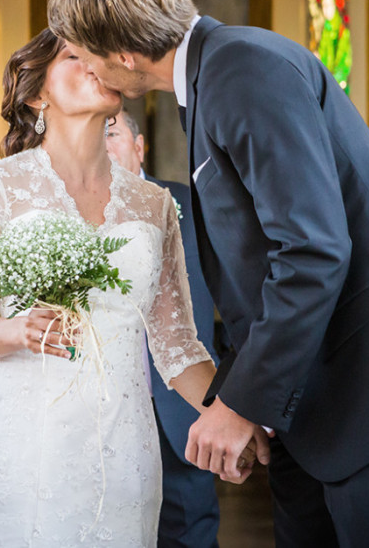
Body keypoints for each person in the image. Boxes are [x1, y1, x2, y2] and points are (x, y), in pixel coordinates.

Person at [48, 0, 369, 547]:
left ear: (125, 55)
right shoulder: (214, 78)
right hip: (319, 395)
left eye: (84, 56)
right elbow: (257, 268)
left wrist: (241, 405)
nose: (87, 70)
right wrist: (254, 401)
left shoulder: (242, 68)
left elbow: (314, 250)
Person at [0, 29, 239, 546]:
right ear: (38, 94)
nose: (95, 66)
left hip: (124, 447)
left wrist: (235, 416)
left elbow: (177, 348)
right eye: (75, 57)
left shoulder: (153, 205)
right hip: (25, 439)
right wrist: (18, 330)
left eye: (99, 55)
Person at [105, 110, 220, 548]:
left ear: (139, 147)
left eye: (112, 132)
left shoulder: (191, 204)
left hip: (177, 400)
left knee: (186, 526)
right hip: (103, 403)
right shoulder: (71, 212)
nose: (103, 142)